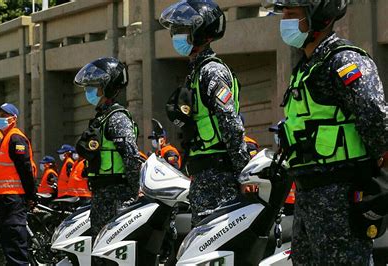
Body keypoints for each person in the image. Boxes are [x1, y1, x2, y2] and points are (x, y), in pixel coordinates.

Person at [265, 0, 388, 264]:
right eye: (283, 13)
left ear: (319, 18)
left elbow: (375, 117)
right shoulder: (307, 66)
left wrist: (378, 158)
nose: (284, 21)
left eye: (292, 14)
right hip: (308, 194)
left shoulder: (343, 60)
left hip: (340, 196)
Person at [160, 0, 250, 226]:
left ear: (202, 33)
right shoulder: (196, 73)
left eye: (182, 31)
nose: (175, 36)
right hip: (203, 174)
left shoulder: (212, 72)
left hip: (220, 175)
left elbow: (230, 123)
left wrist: (244, 172)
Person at [74, 57, 142, 244]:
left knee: (111, 249)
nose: (89, 91)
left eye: (94, 86)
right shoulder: (102, 118)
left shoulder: (117, 117)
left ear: (108, 87)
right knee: (99, 249)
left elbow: (131, 155)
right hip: (102, 194)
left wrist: (135, 192)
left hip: (117, 195)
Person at [0, 103, 36, 265]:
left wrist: (31, 195)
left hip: (13, 197)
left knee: (15, 238)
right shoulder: (6, 138)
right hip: (4, 197)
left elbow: (25, 169)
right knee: (8, 240)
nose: (0, 119)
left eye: (4, 116)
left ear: (13, 119)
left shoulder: (16, 138)